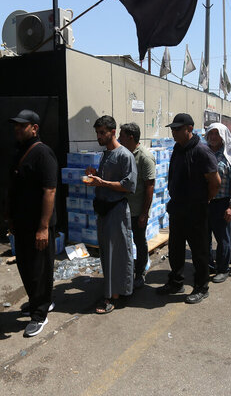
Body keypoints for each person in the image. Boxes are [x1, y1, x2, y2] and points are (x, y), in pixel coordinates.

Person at [157, 113, 220, 304]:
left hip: (196, 210)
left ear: (190, 129)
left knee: (199, 251)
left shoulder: (202, 151)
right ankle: (176, 282)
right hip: (177, 208)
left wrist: (204, 200)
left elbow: (215, 182)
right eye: (172, 129)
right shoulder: (178, 148)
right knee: (175, 249)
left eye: (177, 129)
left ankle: (202, 287)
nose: (174, 132)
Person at [8, 110, 58, 337]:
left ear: (34, 128)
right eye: (16, 125)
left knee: (39, 269)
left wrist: (43, 227)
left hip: (38, 225)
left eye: (22, 125)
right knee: (26, 267)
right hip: (22, 224)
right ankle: (39, 301)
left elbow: (50, 190)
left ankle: (40, 315)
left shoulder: (43, 153)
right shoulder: (20, 151)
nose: (17, 129)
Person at [85, 116, 137, 314]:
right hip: (104, 209)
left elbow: (128, 185)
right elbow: (105, 178)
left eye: (102, 133)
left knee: (119, 253)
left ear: (113, 132)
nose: (98, 136)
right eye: (97, 133)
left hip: (117, 210)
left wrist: (102, 183)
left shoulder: (125, 155)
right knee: (107, 253)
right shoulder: (105, 155)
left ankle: (114, 296)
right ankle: (113, 291)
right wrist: (94, 175)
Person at [205, 123, 231, 283]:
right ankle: (208, 265)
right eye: (211, 133)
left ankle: (223, 269)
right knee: (204, 238)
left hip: (222, 204)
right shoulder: (204, 152)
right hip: (205, 203)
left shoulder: (229, 156)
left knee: (223, 239)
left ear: (223, 136)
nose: (213, 137)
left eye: (217, 134)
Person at [119, 123, 155, 289]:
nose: (119, 138)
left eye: (122, 136)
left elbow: (149, 186)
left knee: (139, 242)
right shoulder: (123, 154)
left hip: (137, 210)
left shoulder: (144, 157)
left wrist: (144, 214)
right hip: (122, 209)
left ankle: (140, 273)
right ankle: (126, 271)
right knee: (124, 242)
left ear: (131, 137)